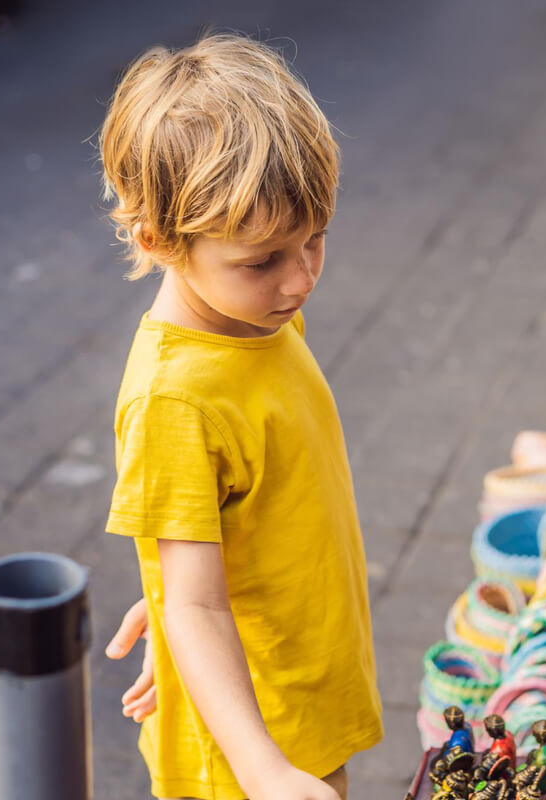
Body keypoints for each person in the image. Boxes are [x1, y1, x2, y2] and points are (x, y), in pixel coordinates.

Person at [97, 33, 383, 800]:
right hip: (252, 751)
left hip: (303, 692)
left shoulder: (258, 316)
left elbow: (198, 564)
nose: (302, 279)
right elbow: (193, 601)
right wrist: (266, 773)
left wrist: (173, 607)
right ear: (160, 241)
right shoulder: (174, 397)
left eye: (314, 238)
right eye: (264, 260)